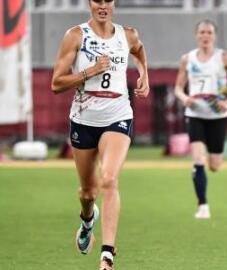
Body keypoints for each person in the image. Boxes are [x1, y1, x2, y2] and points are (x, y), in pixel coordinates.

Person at [50, 0, 149, 269]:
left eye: (107, 0)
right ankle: (86, 220)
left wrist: (144, 74)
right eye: (97, 0)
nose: (102, 6)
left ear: (114, 3)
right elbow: (56, 83)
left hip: (117, 115)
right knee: (87, 193)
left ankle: (107, 254)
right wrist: (88, 72)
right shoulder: (76, 36)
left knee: (109, 179)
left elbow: (139, 52)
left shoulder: (127, 34)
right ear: (89, 3)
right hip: (83, 120)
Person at [174, 20, 227, 219]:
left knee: (215, 165)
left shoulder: (225, 58)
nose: (205, 36)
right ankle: (203, 205)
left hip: (218, 116)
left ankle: (210, 163)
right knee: (198, 159)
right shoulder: (187, 59)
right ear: (196, 35)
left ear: (214, 36)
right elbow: (178, 87)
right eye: (202, 32)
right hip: (195, 115)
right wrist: (186, 99)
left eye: (209, 32)